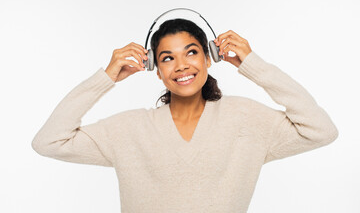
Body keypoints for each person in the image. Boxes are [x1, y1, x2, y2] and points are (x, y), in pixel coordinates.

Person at [31, 18, 339, 213]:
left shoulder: (246, 120)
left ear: (209, 58)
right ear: (156, 69)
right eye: (168, 58)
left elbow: (321, 130)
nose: (181, 65)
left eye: (191, 52)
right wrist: (106, 77)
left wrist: (253, 65)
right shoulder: (129, 129)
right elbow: (48, 142)